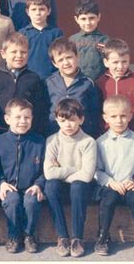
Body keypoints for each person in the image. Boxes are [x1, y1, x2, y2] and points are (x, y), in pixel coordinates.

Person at [94, 95, 134, 257]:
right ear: (105, 118)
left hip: (132, 186)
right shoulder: (100, 143)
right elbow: (96, 171)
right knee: (107, 201)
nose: (119, 120)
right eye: (113, 116)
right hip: (111, 186)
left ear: (130, 116)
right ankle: (103, 236)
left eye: (123, 116)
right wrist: (110, 182)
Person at [43, 98, 97, 258]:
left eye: (72, 120)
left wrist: (61, 170)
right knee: (50, 185)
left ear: (81, 119)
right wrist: (75, 169)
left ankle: (77, 238)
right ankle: (62, 237)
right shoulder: (52, 140)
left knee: (78, 186)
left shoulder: (88, 142)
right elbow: (49, 173)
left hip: (82, 188)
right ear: (57, 120)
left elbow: (87, 175)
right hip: (62, 184)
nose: (68, 125)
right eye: (63, 120)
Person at [0, 98, 45, 253]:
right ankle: (13, 236)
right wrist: (1, 182)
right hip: (9, 186)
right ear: (7, 119)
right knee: (12, 200)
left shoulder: (39, 141)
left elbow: (47, 169)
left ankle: (28, 235)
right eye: (18, 117)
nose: (23, 121)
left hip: (31, 185)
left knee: (31, 201)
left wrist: (39, 184)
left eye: (27, 117)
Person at [95, 38, 134, 148]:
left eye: (124, 62)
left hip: (133, 138)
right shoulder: (100, 83)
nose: (120, 66)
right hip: (106, 138)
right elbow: (95, 112)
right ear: (106, 62)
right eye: (115, 62)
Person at [0, 32, 47, 135]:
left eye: (23, 52)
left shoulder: (34, 79)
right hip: (0, 131)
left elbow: (40, 108)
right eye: (14, 52)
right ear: (3, 54)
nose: (19, 56)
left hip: (27, 131)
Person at [46, 38, 100, 138]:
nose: (66, 63)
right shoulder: (49, 83)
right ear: (54, 63)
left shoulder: (88, 83)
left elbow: (95, 113)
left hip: (82, 136)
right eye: (60, 60)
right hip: (55, 135)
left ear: (77, 57)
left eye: (69, 57)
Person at [19, 0, 63, 80]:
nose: (38, 13)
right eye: (34, 9)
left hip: (52, 78)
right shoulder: (22, 33)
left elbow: (61, 55)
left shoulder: (56, 33)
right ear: (28, 12)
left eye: (42, 9)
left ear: (49, 11)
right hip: (28, 78)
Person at [69, 0, 109, 80]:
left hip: (99, 85)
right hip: (77, 84)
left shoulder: (105, 40)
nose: (88, 23)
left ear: (98, 17)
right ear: (76, 19)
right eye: (83, 19)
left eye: (91, 18)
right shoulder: (72, 40)